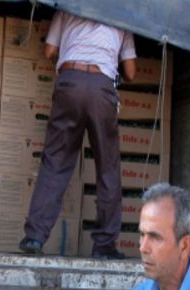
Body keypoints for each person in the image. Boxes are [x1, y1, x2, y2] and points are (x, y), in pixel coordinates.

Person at [19, 10, 137, 259]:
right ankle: (104, 246)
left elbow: (49, 51)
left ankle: (35, 237)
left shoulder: (68, 6)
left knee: (55, 161)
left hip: (69, 82)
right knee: (107, 167)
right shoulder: (126, 12)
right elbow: (132, 72)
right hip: (102, 87)